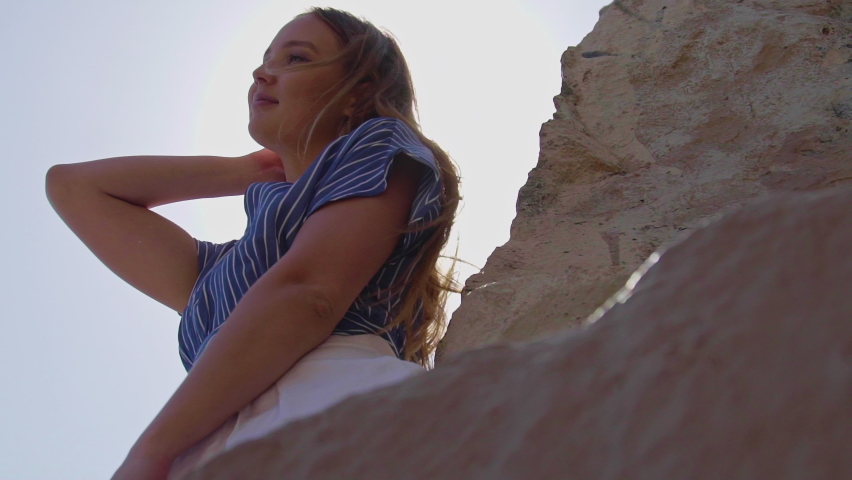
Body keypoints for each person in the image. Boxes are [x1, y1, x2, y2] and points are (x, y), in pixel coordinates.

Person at [45, 7, 463, 480]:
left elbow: (308, 293)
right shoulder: (221, 272)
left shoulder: (378, 143)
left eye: (296, 58)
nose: (262, 72)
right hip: (220, 447)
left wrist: (152, 450)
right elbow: (73, 187)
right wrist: (250, 170)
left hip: (330, 411)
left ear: (358, 93)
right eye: (266, 59)